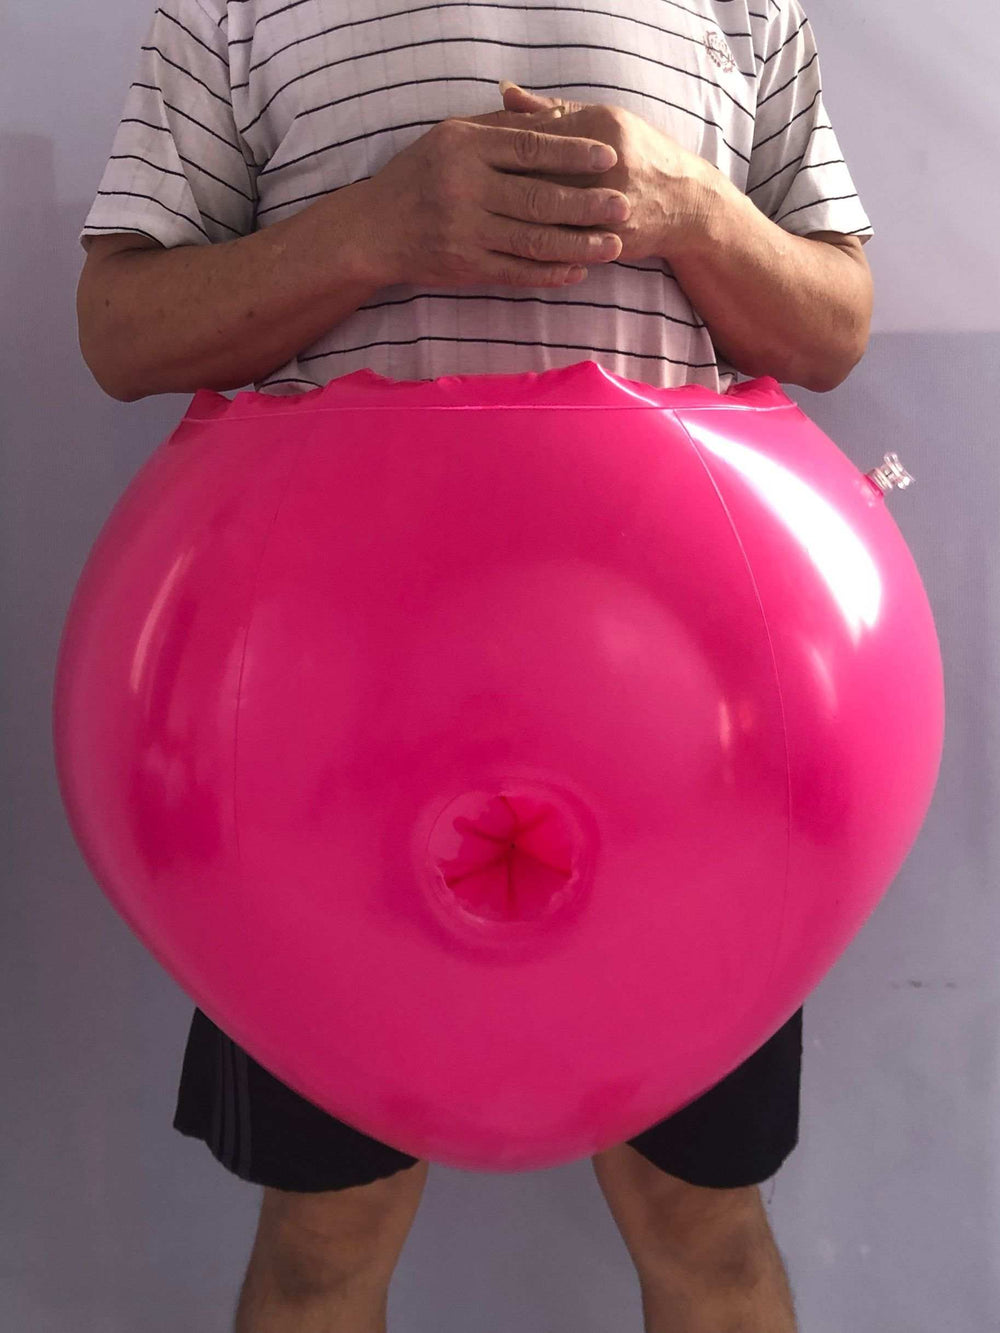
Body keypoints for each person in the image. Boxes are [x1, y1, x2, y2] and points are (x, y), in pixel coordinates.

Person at [76, 1, 873, 1329]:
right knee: (325, 1237)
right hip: (328, 730)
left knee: (702, 1220)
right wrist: (372, 229)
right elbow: (121, 329)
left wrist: (692, 209)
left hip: (688, 743)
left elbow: (833, 326)